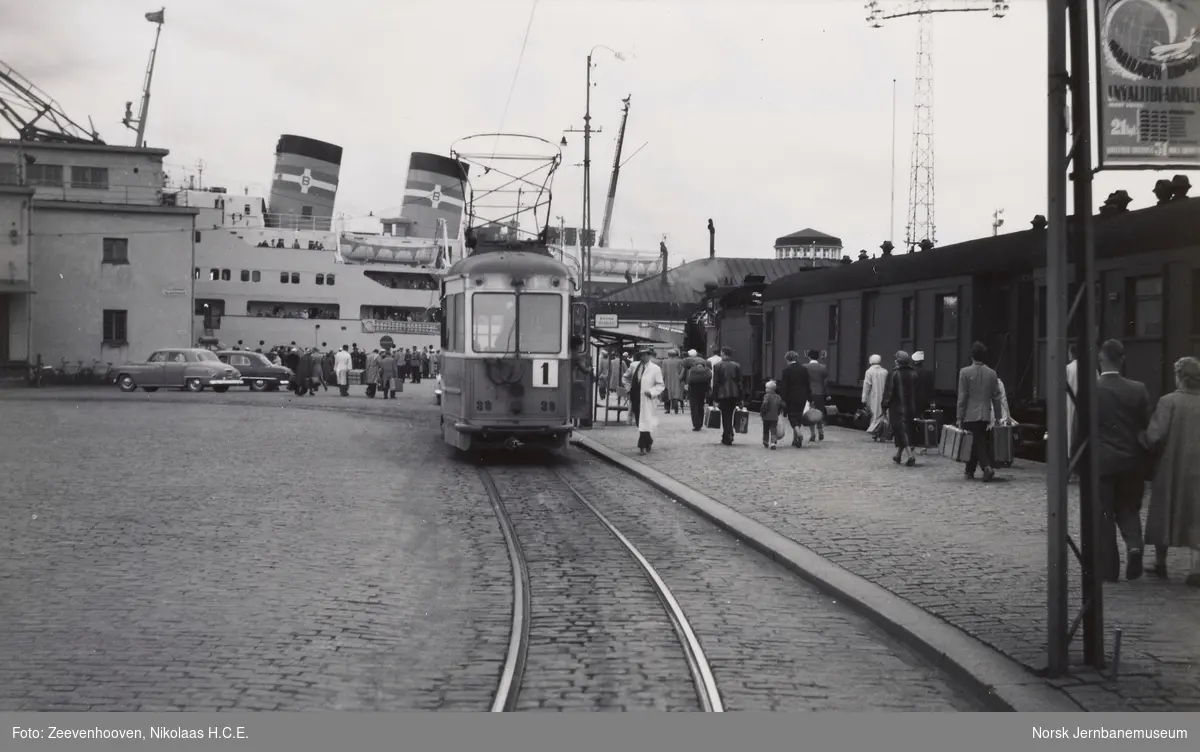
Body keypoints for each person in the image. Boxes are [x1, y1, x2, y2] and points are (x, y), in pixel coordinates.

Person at [1093, 339, 1151, 582]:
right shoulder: (1138, 389)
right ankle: (1135, 547)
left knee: (1103, 513)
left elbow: (1080, 427)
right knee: (1128, 507)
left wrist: (1073, 458)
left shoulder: (1092, 388)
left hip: (1102, 462)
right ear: (1122, 360)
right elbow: (1147, 426)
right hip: (1131, 461)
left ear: (1101, 359)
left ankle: (1109, 569)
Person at [1141, 355, 1200, 586]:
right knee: (1197, 514)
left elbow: (1155, 436)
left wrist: (1142, 438)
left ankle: (1160, 562)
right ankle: (1196, 567)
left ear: (1180, 377)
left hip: (1172, 466)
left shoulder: (1168, 402)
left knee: (1164, 510)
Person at [956, 341, 1004, 482]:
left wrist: (959, 416)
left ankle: (986, 467)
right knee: (977, 440)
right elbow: (996, 397)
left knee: (977, 441)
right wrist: (998, 417)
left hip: (969, 414)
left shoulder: (964, 372)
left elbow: (962, 397)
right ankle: (969, 471)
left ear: (972, 356)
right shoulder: (992, 373)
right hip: (985, 414)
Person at [882, 351, 920, 466]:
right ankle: (898, 455)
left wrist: (884, 405)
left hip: (897, 408)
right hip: (911, 407)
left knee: (901, 431)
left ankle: (910, 456)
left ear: (898, 361)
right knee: (905, 430)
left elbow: (889, 392)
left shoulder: (895, 374)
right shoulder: (914, 373)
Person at [626, 347, 665, 454]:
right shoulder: (634, 366)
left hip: (647, 399)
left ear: (649, 356)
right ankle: (649, 441)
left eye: (645, 355)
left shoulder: (655, 368)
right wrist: (628, 388)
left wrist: (652, 392)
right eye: (641, 355)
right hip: (636, 398)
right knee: (640, 422)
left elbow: (660, 385)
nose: (643, 357)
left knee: (645, 421)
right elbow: (625, 377)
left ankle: (642, 446)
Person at [779, 350, 812, 448]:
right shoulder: (803, 369)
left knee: (792, 417)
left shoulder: (786, 371)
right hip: (802, 397)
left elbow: (784, 386)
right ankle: (795, 440)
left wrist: (783, 398)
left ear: (787, 359)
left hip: (791, 397)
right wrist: (810, 398)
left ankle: (798, 433)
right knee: (798, 416)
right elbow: (807, 384)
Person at [712, 346, 743, 446]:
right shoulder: (737, 366)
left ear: (723, 354)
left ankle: (727, 435)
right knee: (731, 414)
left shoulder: (717, 366)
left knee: (726, 416)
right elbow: (740, 383)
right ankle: (729, 433)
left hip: (722, 394)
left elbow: (716, 383)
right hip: (734, 394)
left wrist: (714, 398)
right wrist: (741, 398)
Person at [680, 349, 712, 431]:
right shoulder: (704, 361)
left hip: (693, 386)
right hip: (703, 386)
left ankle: (696, 424)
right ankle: (700, 423)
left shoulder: (687, 361)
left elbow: (682, 375)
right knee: (701, 404)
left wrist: (682, 381)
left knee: (694, 405)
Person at [861, 354, 889, 438]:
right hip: (884, 396)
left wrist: (864, 399)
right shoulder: (885, 371)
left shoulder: (869, 371)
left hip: (873, 396)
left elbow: (867, 386)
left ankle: (874, 432)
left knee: (874, 414)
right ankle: (883, 433)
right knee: (883, 414)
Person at [804, 350, 829, 442]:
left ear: (809, 357)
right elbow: (825, 383)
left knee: (810, 414)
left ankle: (813, 434)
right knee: (819, 413)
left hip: (808, 393)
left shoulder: (805, 367)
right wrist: (827, 394)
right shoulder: (823, 367)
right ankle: (821, 431)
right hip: (820, 393)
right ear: (818, 357)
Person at [759, 380, 785, 450]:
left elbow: (764, 404)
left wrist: (762, 413)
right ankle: (773, 443)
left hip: (766, 417)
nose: (765, 389)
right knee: (773, 429)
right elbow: (781, 405)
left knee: (766, 429)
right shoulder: (778, 397)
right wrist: (778, 413)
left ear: (769, 389)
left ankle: (765, 441)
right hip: (774, 417)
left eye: (766, 388)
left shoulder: (766, 396)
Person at [661, 349, 684, 414]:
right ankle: (676, 408)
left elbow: (663, 371)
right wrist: (680, 377)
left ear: (668, 355)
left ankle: (667, 409)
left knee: (667, 393)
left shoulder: (664, 361)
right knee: (676, 393)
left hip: (667, 380)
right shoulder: (680, 361)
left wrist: (662, 379)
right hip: (677, 379)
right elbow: (682, 370)